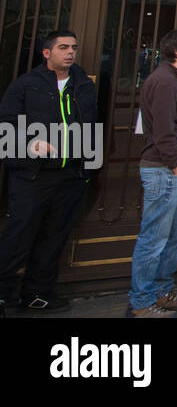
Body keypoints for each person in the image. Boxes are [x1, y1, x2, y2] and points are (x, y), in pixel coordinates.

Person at [0, 30, 99, 315]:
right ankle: (3, 294)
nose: (70, 52)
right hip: (33, 175)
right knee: (18, 236)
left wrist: (87, 168)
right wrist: (31, 143)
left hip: (70, 176)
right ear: (47, 53)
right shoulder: (26, 85)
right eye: (63, 47)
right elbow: (6, 125)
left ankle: (38, 293)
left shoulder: (83, 84)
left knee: (54, 237)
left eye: (74, 48)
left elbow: (91, 124)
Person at [127, 28, 177, 317]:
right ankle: (143, 301)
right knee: (155, 237)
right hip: (162, 169)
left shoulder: (171, 80)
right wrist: (174, 164)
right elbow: (162, 130)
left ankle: (160, 291)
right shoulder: (165, 82)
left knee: (174, 233)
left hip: (168, 169)